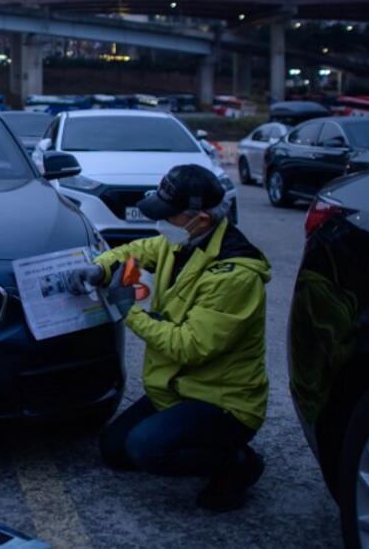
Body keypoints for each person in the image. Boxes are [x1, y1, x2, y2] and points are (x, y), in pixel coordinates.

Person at [71, 164, 270, 512]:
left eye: (168, 216)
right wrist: (102, 266)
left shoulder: (235, 275)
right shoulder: (183, 241)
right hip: (177, 389)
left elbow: (189, 346)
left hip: (221, 401)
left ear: (201, 219)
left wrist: (128, 310)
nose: (160, 224)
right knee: (114, 449)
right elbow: (136, 250)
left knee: (146, 450)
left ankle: (237, 463)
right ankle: (190, 439)